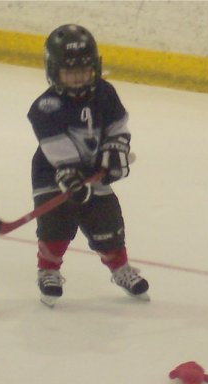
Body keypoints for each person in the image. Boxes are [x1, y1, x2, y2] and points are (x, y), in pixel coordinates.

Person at [27, 24, 149, 306]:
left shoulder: (104, 93)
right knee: (55, 223)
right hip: (52, 174)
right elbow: (55, 146)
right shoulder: (45, 107)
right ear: (53, 70)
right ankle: (48, 272)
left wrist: (115, 150)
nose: (78, 77)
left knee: (107, 220)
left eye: (84, 69)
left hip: (94, 172)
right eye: (70, 71)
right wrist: (68, 175)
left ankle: (120, 269)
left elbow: (117, 126)